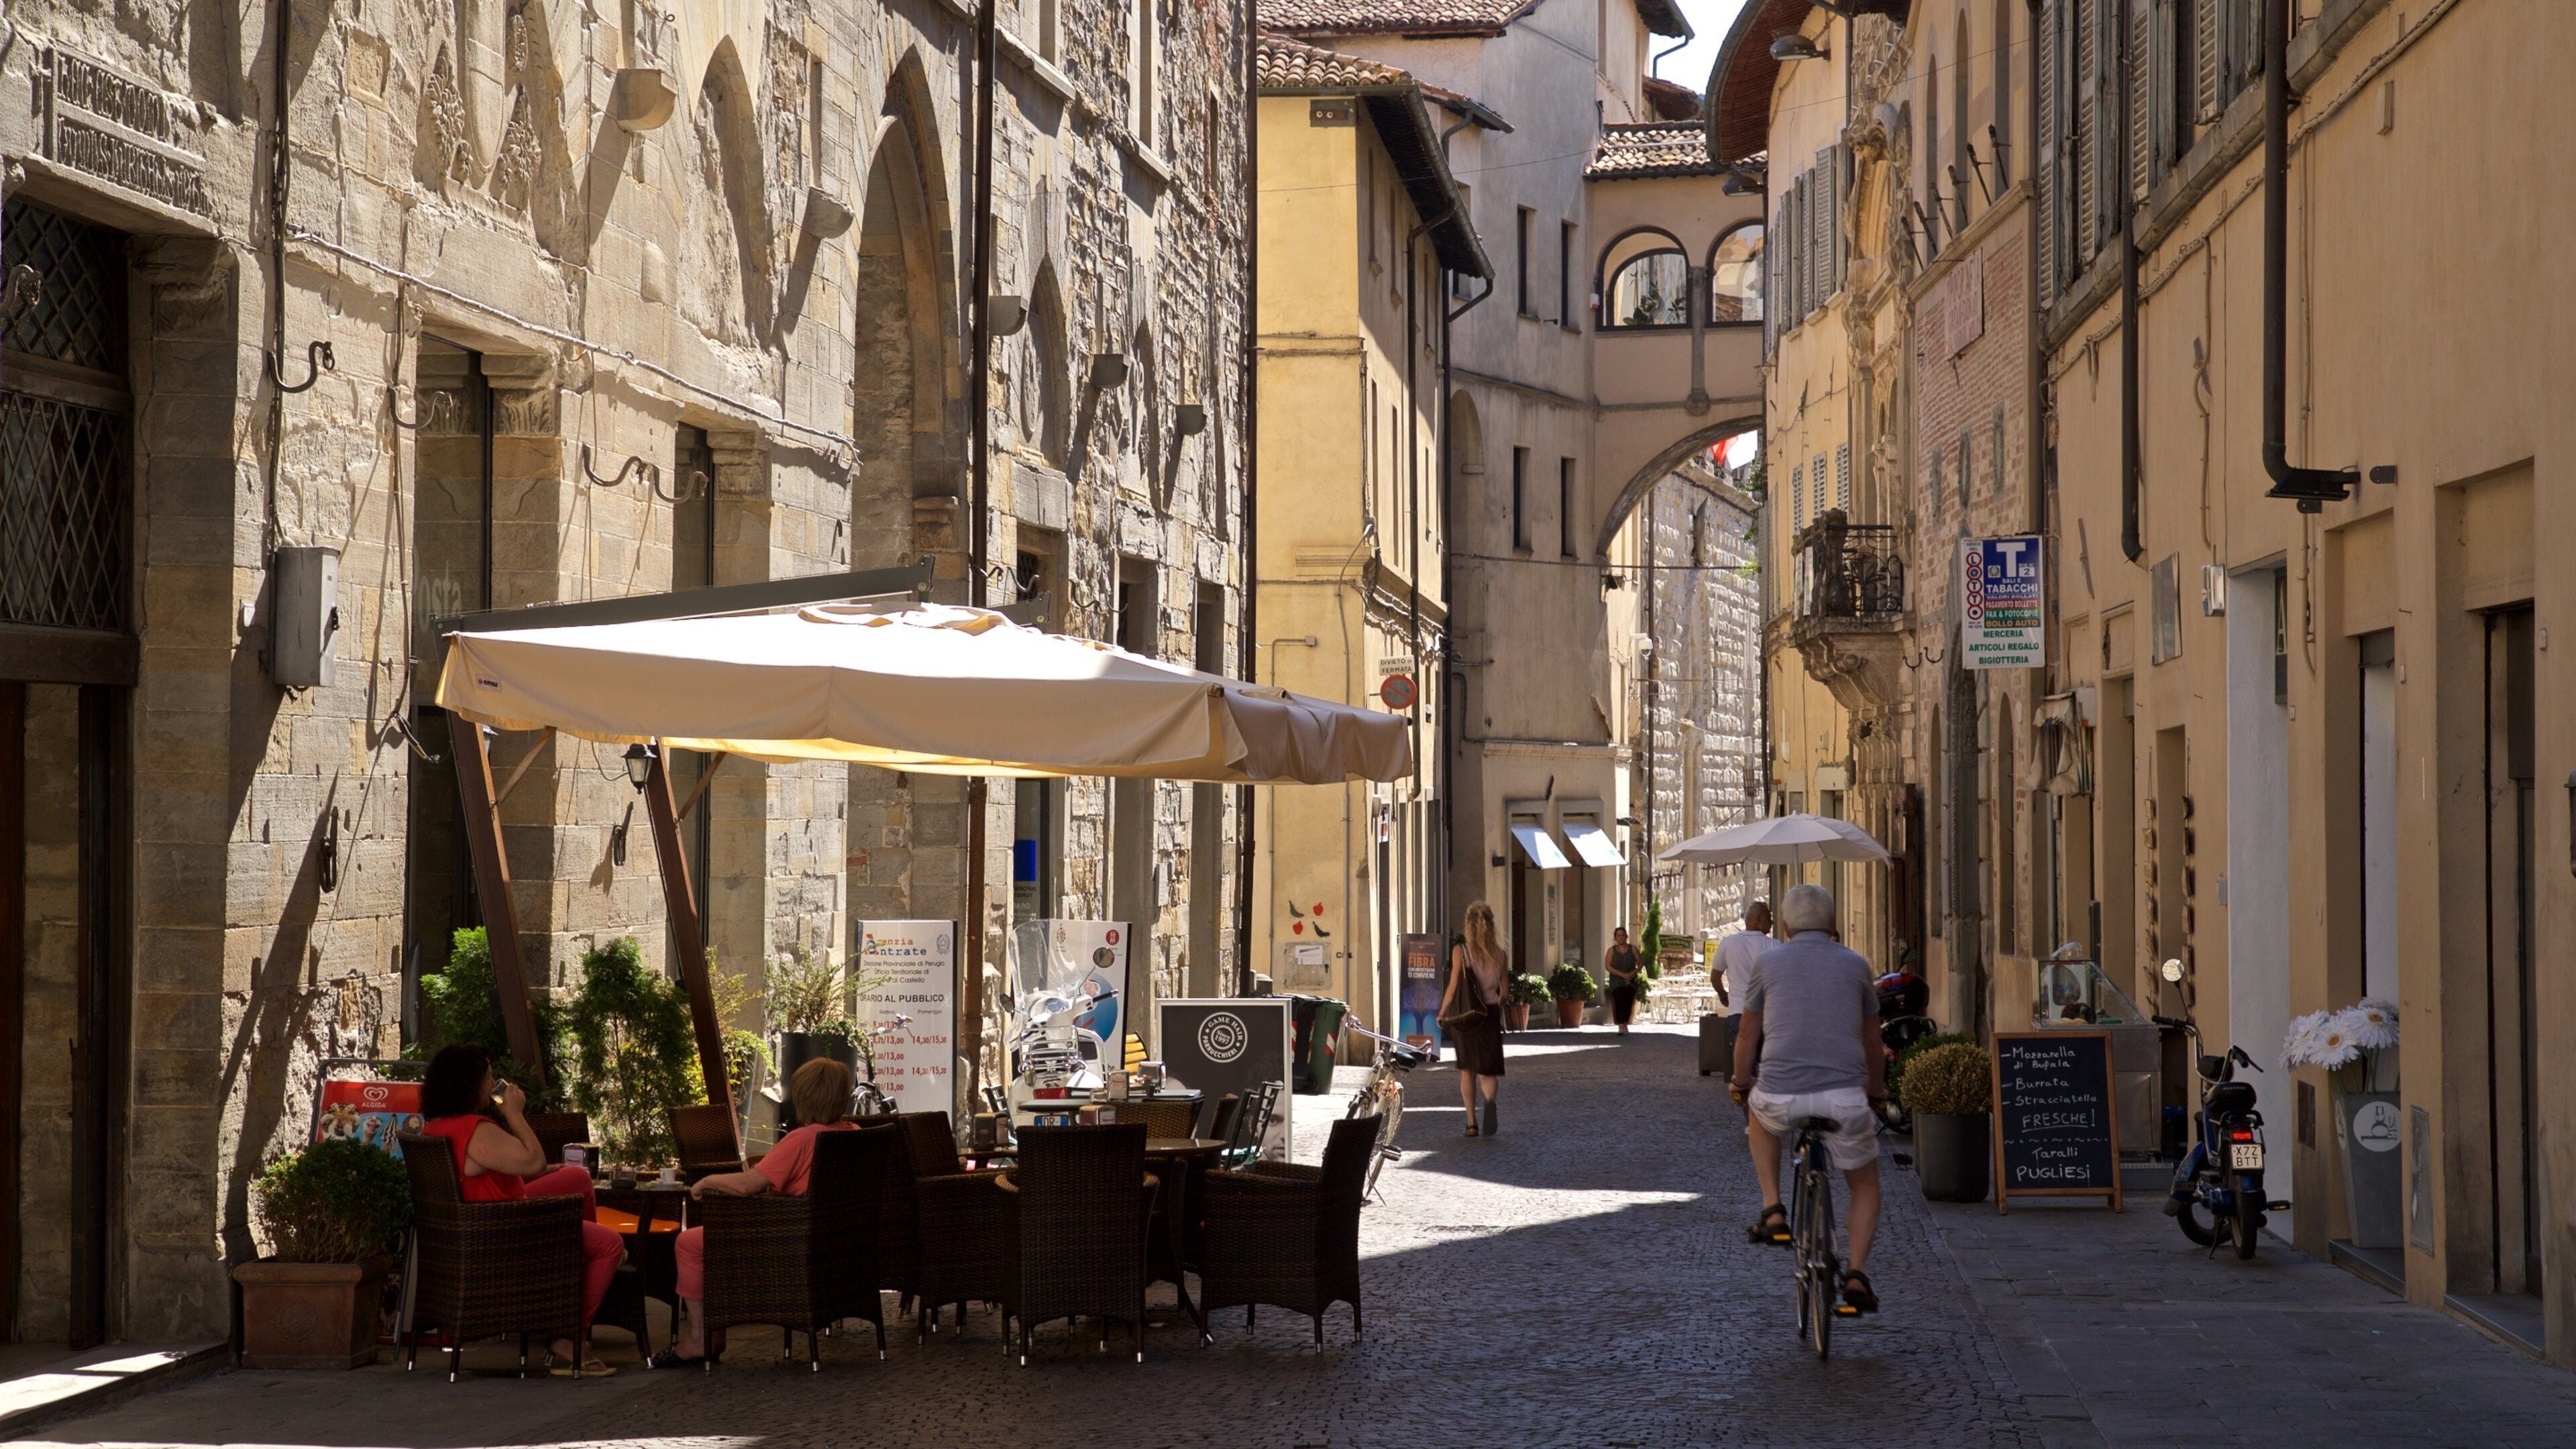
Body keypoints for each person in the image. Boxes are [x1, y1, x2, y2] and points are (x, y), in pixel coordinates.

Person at [418, 1045, 627, 1375]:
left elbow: (491, 1172)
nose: (493, 1084)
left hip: (479, 1225)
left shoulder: (437, 1127)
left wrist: (536, 1171)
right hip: (506, 1233)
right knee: (610, 1244)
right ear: (469, 1084)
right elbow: (534, 1161)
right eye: (488, 1077)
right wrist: (514, 1114)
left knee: (576, 1176)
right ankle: (569, 1337)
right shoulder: (477, 1130)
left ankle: (574, 1261)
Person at [1729, 883, 1886, 1314]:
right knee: (1865, 1183)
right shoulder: (1857, 965)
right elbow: (1873, 1043)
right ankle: (1856, 1275)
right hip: (1844, 1099)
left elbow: (1747, 1033)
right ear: (1833, 924)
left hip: (1780, 1094)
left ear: (1784, 926)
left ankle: (1773, 1210)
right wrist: (1876, 1091)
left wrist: (1741, 1082)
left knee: (1758, 1116)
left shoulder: (1768, 963)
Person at [652, 1058, 861, 1368]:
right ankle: (710, 1333)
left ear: (805, 1096)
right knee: (710, 1242)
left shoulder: (803, 1138)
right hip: (831, 1245)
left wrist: (707, 1181)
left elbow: (748, 1185)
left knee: (690, 1243)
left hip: (785, 1244)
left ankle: (700, 1338)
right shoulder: (854, 1133)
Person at [1442, 901, 1508, 1138]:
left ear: (1468, 925)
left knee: (1467, 1070)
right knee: (1487, 1070)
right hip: (1489, 1014)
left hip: (1467, 1017)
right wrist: (1494, 1006)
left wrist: (1442, 1013)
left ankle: (1471, 1123)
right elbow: (1505, 993)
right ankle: (1490, 1101)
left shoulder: (1461, 951)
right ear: (1492, 925)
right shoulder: (1500, 954)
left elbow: (1453, 988)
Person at [1711, 900, 1775, 1015]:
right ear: (1759, 920)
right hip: (1764, 1013)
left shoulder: (1728, 943)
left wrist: (1723, 994)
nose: (1772, 922)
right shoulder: (1774, 945)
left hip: (1737, 1011)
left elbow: (1715, 978)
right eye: (1769, 918)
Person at [1604, 927, 1642, 1035]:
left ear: (1626, 936)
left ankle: (1625, 1024)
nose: (1620, 937)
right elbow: (1608, 966)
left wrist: (1633, 973)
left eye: (1622, 935)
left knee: (1628, 1003)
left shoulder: (1633, 949)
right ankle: (1621, 1026)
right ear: (1615, 937)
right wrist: (1622, 974)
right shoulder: (1611, 951)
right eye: (1618, 935)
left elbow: (1641, 963)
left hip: (1630, 981)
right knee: (1619, 1000)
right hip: (1616, 982)